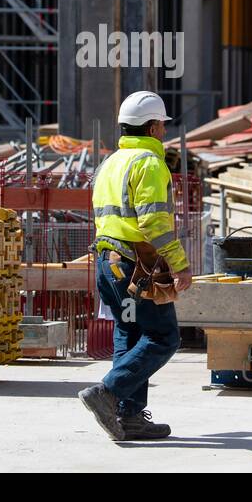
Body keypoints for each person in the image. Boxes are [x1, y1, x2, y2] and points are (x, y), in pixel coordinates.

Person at [77, 91, 192, 441]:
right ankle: (108, 393)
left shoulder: (109, 164)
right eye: (163, 126)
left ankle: (128, 417)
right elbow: (154, 222)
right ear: (154, 126)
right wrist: (180, 265)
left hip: (107, 264)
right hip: (133, 266)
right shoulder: (149, 163)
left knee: (129, 332)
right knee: (163, 337)